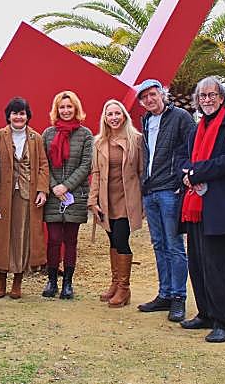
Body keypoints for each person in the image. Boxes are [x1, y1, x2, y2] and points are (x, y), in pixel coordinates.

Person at [179, 77, 225, 343]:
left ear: (221, 98)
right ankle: (205, 313)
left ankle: (223, 323)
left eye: (212, 95)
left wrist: (195, 173)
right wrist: (187, 172)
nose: (207, 100)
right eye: (202, 96)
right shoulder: (197, 129)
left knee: (218, 267)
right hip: (196, 207)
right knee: (198, 265)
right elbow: (184, 158)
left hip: (221, 208)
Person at [136, 79, 195, 322]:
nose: (149, 100)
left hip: (170, 190)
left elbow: (193, 149)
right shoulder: (146, 121)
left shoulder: (181, 117)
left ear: (162, 94)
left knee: (174, 245)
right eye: (144, 97)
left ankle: (178, 297)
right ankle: (165, 294)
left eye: (153, 94)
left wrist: (182, 178)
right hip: (150, 191)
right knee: (159, 244)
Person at [0, 97, 49, 299]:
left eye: (22, 113)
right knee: (1, 237)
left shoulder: (36, 138)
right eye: (14, 113)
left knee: (22, 237)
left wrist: (42, 190)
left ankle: (17, 282)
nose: (18, 117)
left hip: (26, 195)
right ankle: (1, 281)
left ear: (27, 116)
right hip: (2, 194)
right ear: (8, 116)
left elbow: (43, 166)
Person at [88, 100, 143, 307]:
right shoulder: (98, 142)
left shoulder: (136, 139)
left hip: (127, 200)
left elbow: (141, 172)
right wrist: (93, 200)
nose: (113, 118)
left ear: (124, 116)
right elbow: (96, 172)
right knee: (112, 240)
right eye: (109, 114)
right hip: (106, 200)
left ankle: (124, 288)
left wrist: (143, 202)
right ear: (105, 118)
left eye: (117, 113)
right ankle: (115, 283)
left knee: (121, 239)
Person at [41, 91, 93, 299]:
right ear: (56, 110)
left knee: (71, 240)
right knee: (53, 239)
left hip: (75, 194)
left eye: (69, 106)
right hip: (53, 194)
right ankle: (52, 280)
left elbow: (86, 164)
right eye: (62, 107)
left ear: (76, 108)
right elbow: (43, 163)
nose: (65, 110)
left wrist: (67, 186)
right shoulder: (48, 134)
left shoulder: (85, 134)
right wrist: (55, 186)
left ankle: (68, 283)